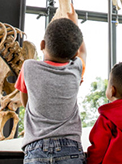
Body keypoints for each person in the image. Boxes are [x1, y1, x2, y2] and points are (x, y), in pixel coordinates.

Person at [16, 8, 87, 163]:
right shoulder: (76, 68)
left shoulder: (28, 67)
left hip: (36, 149)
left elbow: (25, 98)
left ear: (42, 44)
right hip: (71, 149)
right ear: (74, 55)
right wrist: (74, 21)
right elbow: (83, 53)